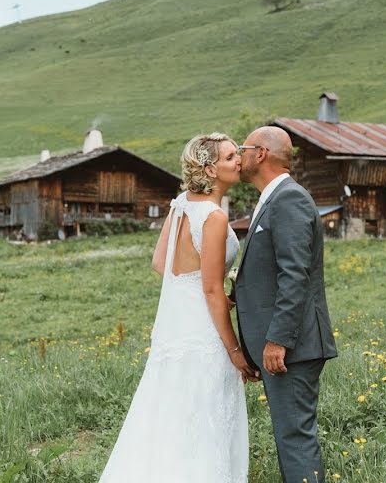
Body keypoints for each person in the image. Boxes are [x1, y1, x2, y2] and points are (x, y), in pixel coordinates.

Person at [99, 133, 256, 483]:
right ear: (210, 169)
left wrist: (190, 283)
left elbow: (161, 262)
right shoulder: (213, 217)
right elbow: (212, 289)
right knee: (204, 416)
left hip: (178, 323)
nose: (239, 161)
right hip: (204, 327)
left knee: (170, 412)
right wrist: (234, 350)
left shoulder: (182, 203)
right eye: (231, 157)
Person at [233, 126, 338, 483]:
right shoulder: (273, 198)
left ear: (260, 153)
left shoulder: (289, 199)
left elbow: (295, 275)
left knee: (295, 438)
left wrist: (278, 339)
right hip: (287, 344)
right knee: (289, 436)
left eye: (243, 149)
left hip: (294, 345)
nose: (239, 155)